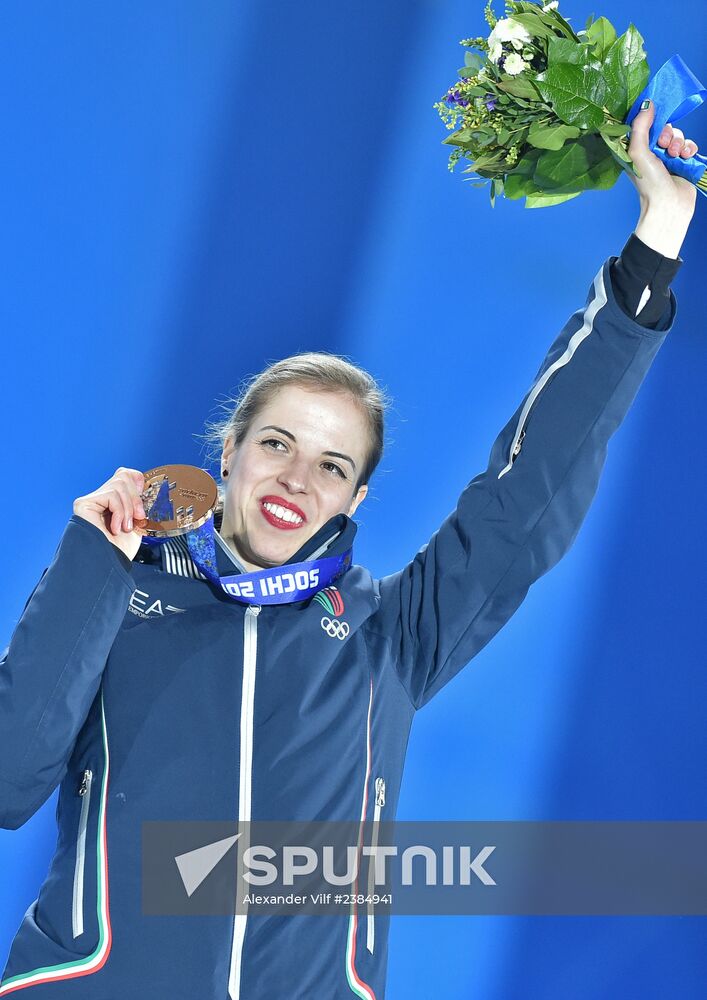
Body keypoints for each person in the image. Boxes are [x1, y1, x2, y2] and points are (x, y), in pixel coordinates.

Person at [0, 102, 699, 999]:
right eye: (277, 444)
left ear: (357, 497)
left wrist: (658, 238)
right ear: (230, 452)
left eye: (333, 464)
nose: (297, 479)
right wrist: (94, 562)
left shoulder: (391, 636)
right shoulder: (122, 598)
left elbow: (530, 490)